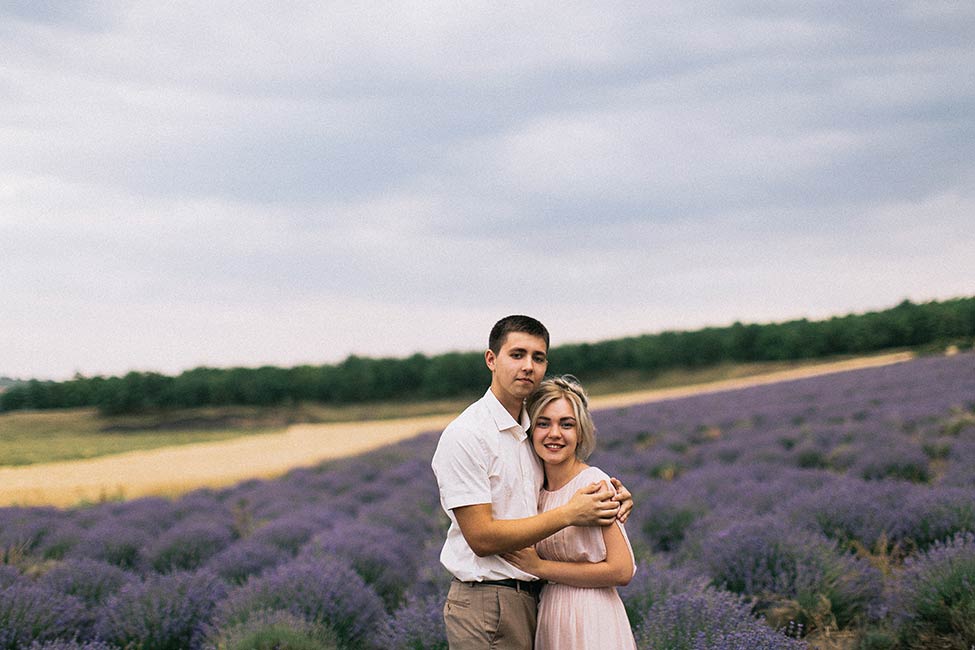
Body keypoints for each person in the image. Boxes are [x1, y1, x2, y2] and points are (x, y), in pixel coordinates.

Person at [431, 315, 633, 650]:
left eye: (537, 358)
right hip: (487, 601)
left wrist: (617, 494)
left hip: (535, 600)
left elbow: (566, 482)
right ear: (491, 360)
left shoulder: (530, 433)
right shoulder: (468, 435)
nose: (528, 366)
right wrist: (570, 514)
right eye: (517, 355)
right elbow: (481, 537)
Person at [503, 375, 637, 649]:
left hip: (592, 617)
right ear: (530, 431)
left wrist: (541, 567)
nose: (554, 434)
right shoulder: (534, 491)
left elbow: (622, 570)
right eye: (543, 423)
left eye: (567, 424)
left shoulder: (593, 484)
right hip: (551, 615)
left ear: (580, 433)